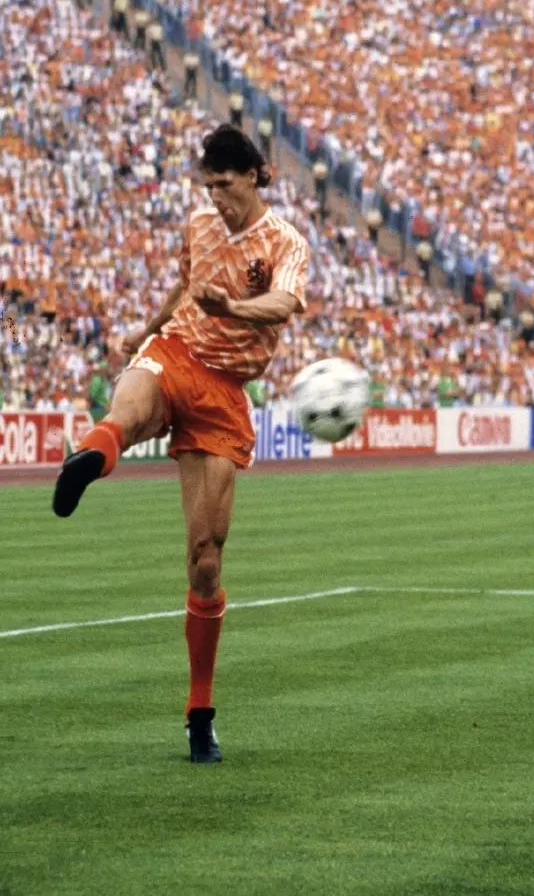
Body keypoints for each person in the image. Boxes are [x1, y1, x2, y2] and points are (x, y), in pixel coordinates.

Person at [52, 124, 311, 764]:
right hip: (177, 352)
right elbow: (185, 286)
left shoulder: (285, 242)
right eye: (208, 186)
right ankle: (89, 457)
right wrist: (146, 328)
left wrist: (232, 310)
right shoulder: (198, 224)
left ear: (252, 176)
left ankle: (200, 713)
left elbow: (282, 304)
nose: (216, 197)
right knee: (131, 408)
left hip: (224, 392)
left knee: (206, 561)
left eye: (224, 185)